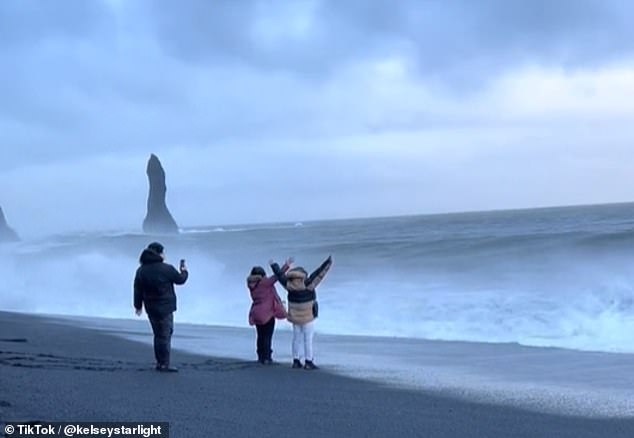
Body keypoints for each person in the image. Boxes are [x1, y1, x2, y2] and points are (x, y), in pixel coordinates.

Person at [133, 242, 188, 372]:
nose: (165, 255)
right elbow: (180, 280)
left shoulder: (141, 270)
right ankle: (164, 364)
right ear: (159, 253)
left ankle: (160, 362)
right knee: (165, 334)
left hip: (150, 306)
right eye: (163, 252)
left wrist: (138, 306)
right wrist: (184, 271)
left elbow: (137, 289)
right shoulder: (166, 268)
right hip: (165, 306)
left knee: (158, 334)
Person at [271, 255, 332, 370]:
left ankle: (296, 360)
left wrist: (273, 265)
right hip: (307, 317)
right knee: (308, 340)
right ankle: (308, 361)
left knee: (296, 339)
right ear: (303, 276)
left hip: (295, 318)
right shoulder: (308, 284)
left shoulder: (288, 285)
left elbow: (279, 276)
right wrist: (328, 263)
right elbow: (320, 274)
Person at [246, 258, 292, 364]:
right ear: (262, 275)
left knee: (260, 336)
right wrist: (287, 265)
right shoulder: (264, 283)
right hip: (267, 313)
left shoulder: (251, 285)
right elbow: (278, 276)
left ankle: (260, 356)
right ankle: (267, 357)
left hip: (256, 312)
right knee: (267, 335)